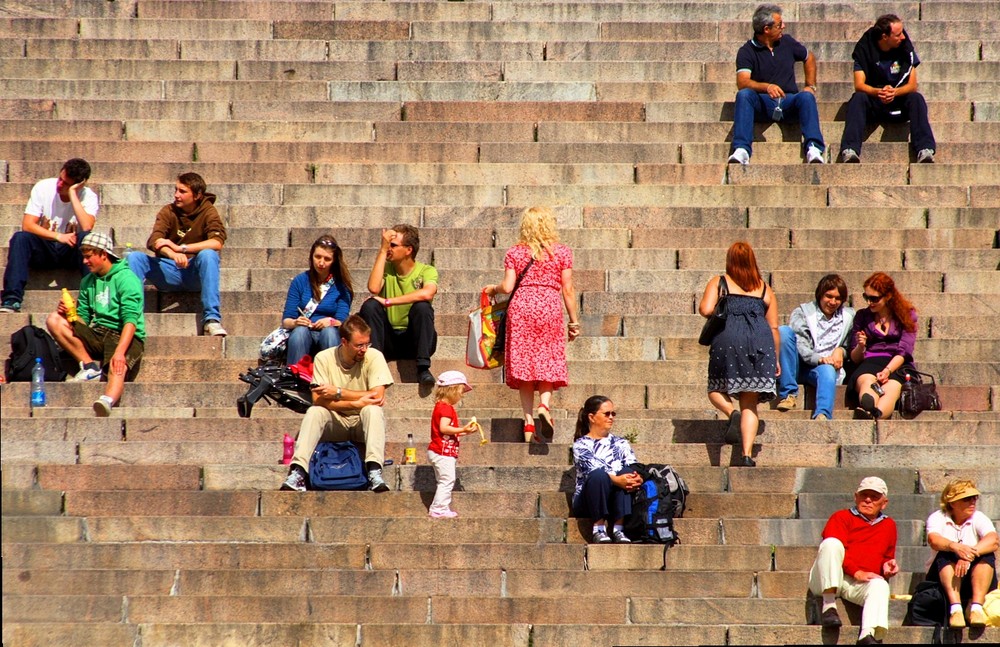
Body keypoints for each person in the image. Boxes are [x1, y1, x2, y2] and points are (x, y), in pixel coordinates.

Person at [484, 206, 581, 444]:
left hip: (522, 307)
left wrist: (492, 289)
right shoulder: (561, 253)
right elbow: (567, 289)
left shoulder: (516, 252)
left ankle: (528, 424)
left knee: (525, 366)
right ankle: (544, 407)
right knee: (547, 360)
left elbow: (507, 288)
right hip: (549, 306)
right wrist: (574, 321)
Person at [280, 315, 393, 493]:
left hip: (361, 422)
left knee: (373, 410)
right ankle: (298, 472)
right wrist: (358, 402)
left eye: (367, 344)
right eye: (359, 345)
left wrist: (338, 393)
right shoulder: (324, 358)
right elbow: (318, 400)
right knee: (315, 412)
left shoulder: (374, 356)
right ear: (344, 342)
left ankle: (374, 471)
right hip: (335, 422)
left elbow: (377, 396)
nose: (364, 349)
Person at [45, 231, 145, 417]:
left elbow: (130, 321)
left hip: (123, 334)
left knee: (117, 365)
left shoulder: (127, 279)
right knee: (54, 319)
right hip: (97, 333)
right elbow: (83, 318)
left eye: (89, 257)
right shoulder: (87, 281)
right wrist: (70, 314)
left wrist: (120, 352)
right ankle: (90, 367)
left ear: (103, 254)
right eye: (84, 257)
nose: (85, 261)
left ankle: (107, 400)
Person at [699, 241, 780, 467]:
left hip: (728, 339)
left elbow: (705, 310)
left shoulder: (720, 282)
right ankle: (746, 455)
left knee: (716, 388)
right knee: (750, 403)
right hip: (760, 343)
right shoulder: (765, 288)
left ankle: (730, 412)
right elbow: (774, 327)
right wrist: (776, 357)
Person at [126, 172, 228, 337]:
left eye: (182, 191)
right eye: (176, 190)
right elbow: (155, 240)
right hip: (169, 271)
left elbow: (217, 242)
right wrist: (172, 254)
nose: (176, 195)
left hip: (194, 272)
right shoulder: (168, 211)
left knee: (209, 255)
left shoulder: (208, 211)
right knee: (134, 258)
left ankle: (211, 320)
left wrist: (182, 249)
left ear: (197, 195)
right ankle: (132, 318)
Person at [728, 4, 825, 165]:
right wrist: (766, 87)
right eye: (779, 25)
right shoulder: (746, 51)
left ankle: (814, 148)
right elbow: (742, 82)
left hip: (789, 101)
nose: (784, 27)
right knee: (744, 95)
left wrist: (810, 85)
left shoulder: (787, 42)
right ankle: (742, 149)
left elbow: (809, 58)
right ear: (766, 29)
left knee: (807, 97)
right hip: (763, 103)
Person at [808, 476, 899, 645]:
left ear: (884, 503)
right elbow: (832, 551)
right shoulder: (841, 517)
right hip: (828, 578)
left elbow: (887, 556)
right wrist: (857, 572)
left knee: (880, 585)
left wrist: (887, 566)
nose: (868, 500)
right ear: (856, 497)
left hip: (857, 584)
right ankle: (829, 607)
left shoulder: (889, 525)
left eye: (874, 496)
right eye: (864, 495)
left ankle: (867, 635)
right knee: (831, 543)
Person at [1, 158, 99, 313]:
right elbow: (27, 225)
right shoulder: (44, 187)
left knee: (87, 238)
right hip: (45, 249)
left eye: (66, 184)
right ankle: (11, 299)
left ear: (79, 185)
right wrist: (58, 236)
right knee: (20, 238)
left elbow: (87, 226)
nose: (60, 185)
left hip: (71, 251)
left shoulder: (88, 196)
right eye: (60, 179)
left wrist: (73, 194)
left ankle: (90, 302)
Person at [839, 14, 936, 164]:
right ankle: (849, 150)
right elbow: (859, 85)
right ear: (885, 37)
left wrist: (894, 92)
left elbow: (912, 85)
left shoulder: (905, 47)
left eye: (902, 33)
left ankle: (925, 149)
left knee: (916, 98)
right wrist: (878, 92)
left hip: (897, 102)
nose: (903, 37)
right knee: (858, 98)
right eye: (898, 34)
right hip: (874, 102)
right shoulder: (864, 48)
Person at [359, 224, 438, 385]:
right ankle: (375, 366)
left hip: (414, 341)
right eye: (388, 244)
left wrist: (388, 301)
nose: (389, 248)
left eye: (393, 245)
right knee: (370, 306)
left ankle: (423, 368)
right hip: (388, 340)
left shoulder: (426, 270)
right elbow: (373, 288)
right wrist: (382, 250)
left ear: (408, 250)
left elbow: (428, 292)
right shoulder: (386, 268)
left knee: (422, 306)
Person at [776, 274, 856, 420]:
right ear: (820, 295)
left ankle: (822, 414)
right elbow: (800, 344)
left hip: (822, 369)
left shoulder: (849, 317)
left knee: (828, 370)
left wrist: (841, 351)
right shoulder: (803, 312)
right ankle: (788, 394)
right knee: (784, 331)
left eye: (837, 298)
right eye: (828, 296)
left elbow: (849, 345)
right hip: (797, 364)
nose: (833, 302)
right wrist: (819, 359)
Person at [925, 480, 998, 628]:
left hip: (973, 576)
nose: (972, 502)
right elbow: (934, 540)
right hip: (942, 578)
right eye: (966, 499)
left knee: (986, 554)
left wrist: (969, 555)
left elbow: (994, 540)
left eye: (974, 498)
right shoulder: (938, 517)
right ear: (952, 503)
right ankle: (956, 609)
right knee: (946, 553)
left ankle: (976, 609)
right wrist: (956, 547)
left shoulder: (978, 517)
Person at [571, 395, 643, 544]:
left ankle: (618, 529)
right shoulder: (581, 445)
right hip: (588, 500)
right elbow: (592, 470)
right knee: (599, 475)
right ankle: (598, 528)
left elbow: (633, 464)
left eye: (613, 414)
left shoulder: (620, 442)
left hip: (615, 498)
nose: (611, 417)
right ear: (591, 417)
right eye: (607, 414)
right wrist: (618, 480)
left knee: (627, 472)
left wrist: (637, 477)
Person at [848, 272, 917, 420]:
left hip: (897, 364)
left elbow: (904, 350)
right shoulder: (862, 316)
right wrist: (861, 346)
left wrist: (887, 371)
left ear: (888, 296)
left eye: (874, 298)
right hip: (870, 361)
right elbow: (854, 358)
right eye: (866, 297)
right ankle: (868, 406)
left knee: (891, 388)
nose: (869, 302)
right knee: (867, 381)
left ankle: (874, 413)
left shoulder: (907, 315)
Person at [280, 235, 353, 365]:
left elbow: (342, 321)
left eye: (327, 259)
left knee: (329, 333)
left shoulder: (342, 286)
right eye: (317, 257)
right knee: (300, 333)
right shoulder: (300, 281)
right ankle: (295, 379)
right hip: (304, 331)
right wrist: (296, 322)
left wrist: (330, 321)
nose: (321, 263)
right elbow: (286, 320)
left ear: (334, 261)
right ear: (311, 256)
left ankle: (331, 380)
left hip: (329, 332)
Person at [427, 370, 479, 519]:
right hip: (442, 452)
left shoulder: (441, 406)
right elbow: (444, 428)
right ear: (453, 390)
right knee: (447, 480)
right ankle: (438, 508)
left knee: (443, 480)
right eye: (461, 391)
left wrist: (465, 432)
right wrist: (462, 429)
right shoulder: (446, 408)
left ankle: (441, 506)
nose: (462, 395)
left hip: (439, 450)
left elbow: (446, 431)